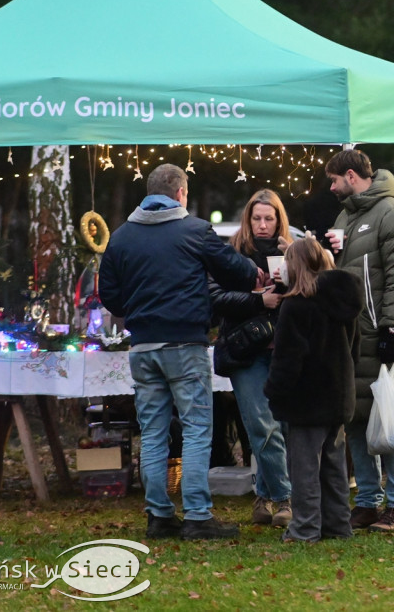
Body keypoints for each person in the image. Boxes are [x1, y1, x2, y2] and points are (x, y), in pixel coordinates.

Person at [99, 163, 260, 541]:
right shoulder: (195, 231)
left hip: (143, 346)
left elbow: (110, 296)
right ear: (181, 193)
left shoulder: (121, 237)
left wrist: (139, 309)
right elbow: (237, 272)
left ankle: (158, 515)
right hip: (185, 344)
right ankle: (198, 516)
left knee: (153, 433)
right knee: (196, 429)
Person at [324, 148, 394, 533]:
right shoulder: (349, 214)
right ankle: (366, 500)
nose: (330, 187)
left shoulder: (391, 213)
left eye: (333, 180)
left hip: (379, 334)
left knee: (387, 418)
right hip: (352, 336)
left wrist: (392, 328)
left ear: (350, 175)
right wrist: (335, 253)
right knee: (358, 419)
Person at [264, 237, 363, 543]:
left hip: (306, 400)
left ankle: (305, 528)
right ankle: (337, 525)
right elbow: (354, 350)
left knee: (304, 468)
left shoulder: (296, 307)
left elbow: (288, 359)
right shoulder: (343, 303)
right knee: (334, 466)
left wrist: (274, 391)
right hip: (338, 395)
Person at [209, 189, 294, 528]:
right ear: (248, 219)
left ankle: (262, 492)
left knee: (282, 426)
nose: (262, 225)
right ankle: (285, 498)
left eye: (268, 218)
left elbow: (315, 293)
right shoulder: (232, 253)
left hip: (285, 348)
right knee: (261, 424)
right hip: (245, 350)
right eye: (256, 218)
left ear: (278, 220)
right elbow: (215, 298)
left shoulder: (292, 251)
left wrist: (295, 270)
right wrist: (258, 299)